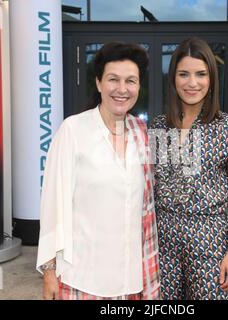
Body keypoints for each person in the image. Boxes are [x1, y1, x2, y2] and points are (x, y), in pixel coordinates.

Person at [36, 42, 160, 300]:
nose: (122, 89)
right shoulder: (73, 130)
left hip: (132, 281)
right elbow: (52, 205)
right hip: (82, 279)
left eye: (131, 81)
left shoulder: (143, 135)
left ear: (139, 86)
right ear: (98, 83)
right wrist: (49, 272)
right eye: (113, 79)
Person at [150, 37, 228, 300]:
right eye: (184, 74)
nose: (192, 83)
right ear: (173, 78)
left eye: (200, 74)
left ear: (212, 79)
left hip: (210, 241)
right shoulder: (158, 127)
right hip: (163, 241)